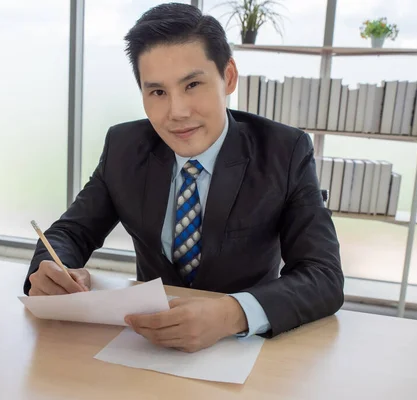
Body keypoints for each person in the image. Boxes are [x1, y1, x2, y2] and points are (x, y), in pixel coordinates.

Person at [24, 2, 343, 353]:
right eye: (157, 92)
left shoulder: (285, 151)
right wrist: (54, 270)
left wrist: (231, 314)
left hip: (244, 346)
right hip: (146, 342)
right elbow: (71, 232)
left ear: (229, 77)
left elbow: (323, 276)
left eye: (192, 85)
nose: (177, 112)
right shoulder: (124, 146)